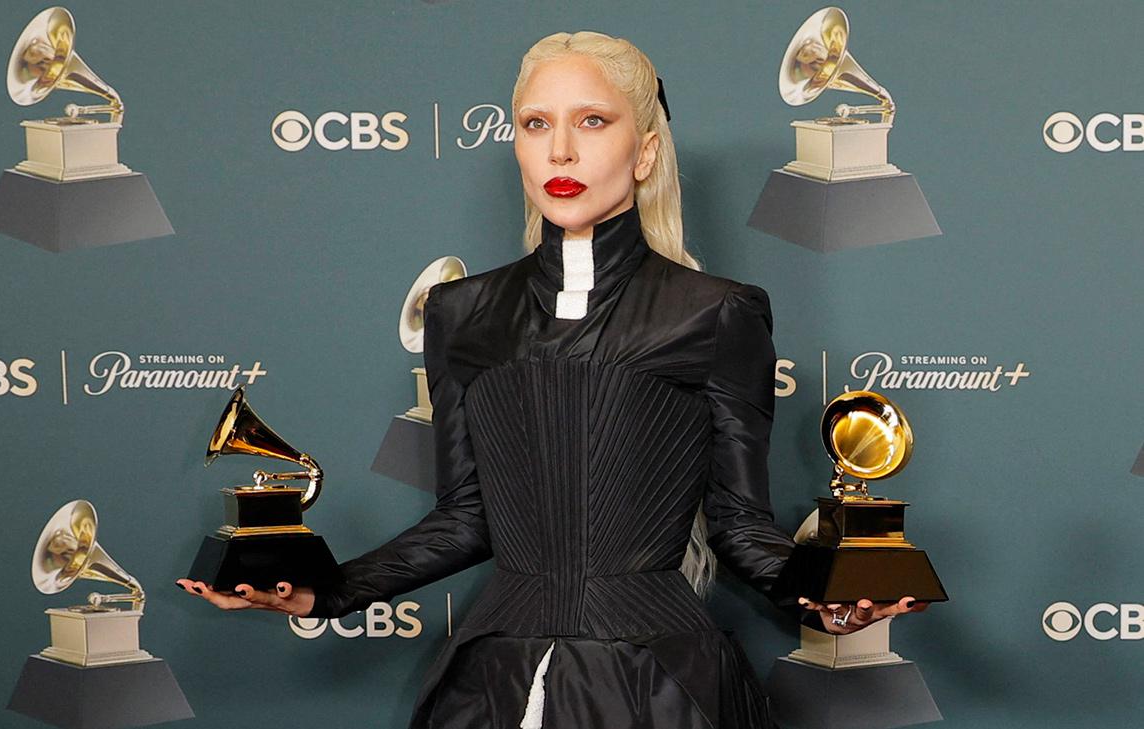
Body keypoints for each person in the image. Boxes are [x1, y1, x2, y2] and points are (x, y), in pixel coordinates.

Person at [178, 30, 926, 728]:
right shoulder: (459, 313)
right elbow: (466, 517)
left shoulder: (717, 313)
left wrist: (829, 598)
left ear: (645, 151)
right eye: (536, 124)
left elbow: (738, 524)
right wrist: (328, 591)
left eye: (592, 121)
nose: (560, 150)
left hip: (661, 684)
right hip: (490, 682)